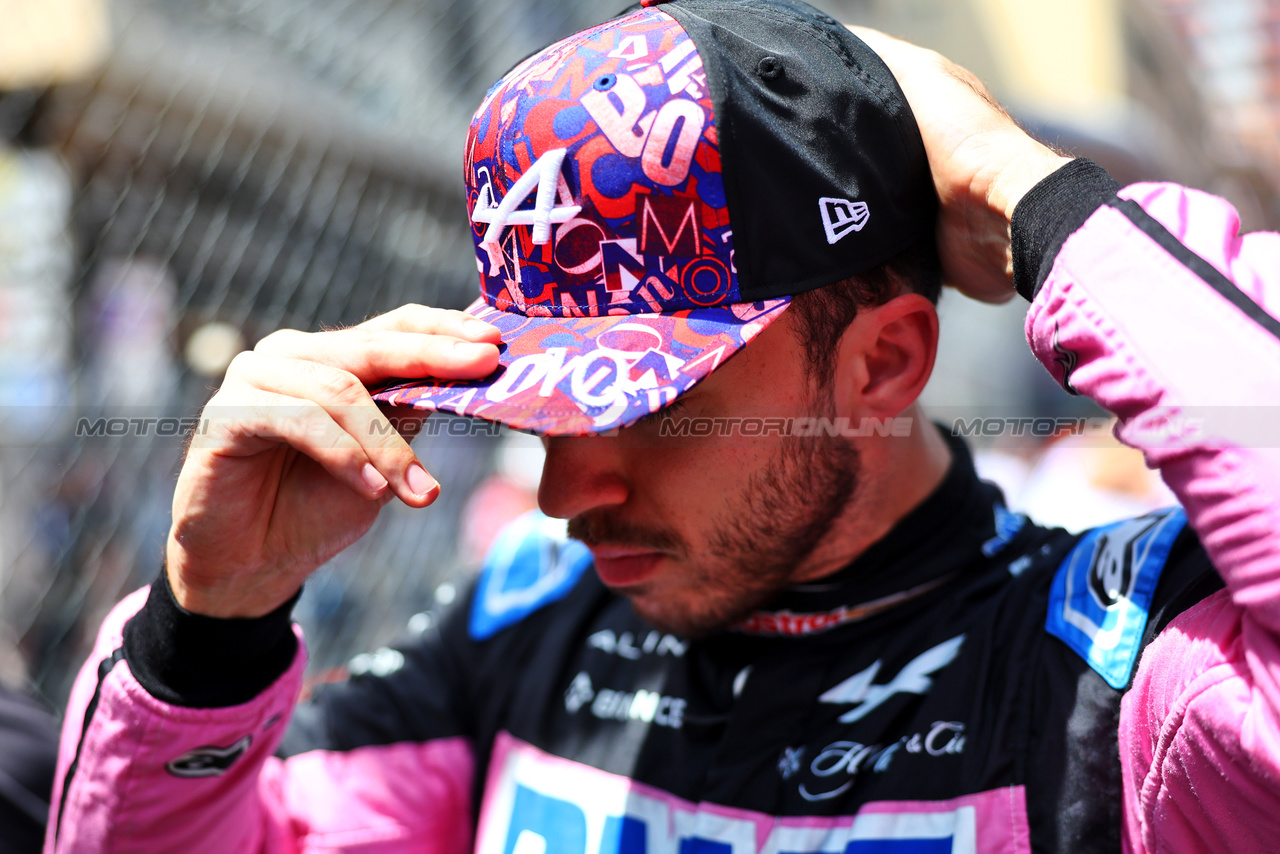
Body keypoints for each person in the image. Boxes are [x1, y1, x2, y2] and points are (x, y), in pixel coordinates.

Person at [45, 1, 1280, 851]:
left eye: (643, 401)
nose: (564, 488)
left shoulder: (1115, 671)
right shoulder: (516, 628)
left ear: (882, 364)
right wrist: (206, 635)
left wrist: (1032, 193)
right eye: (538, 404)